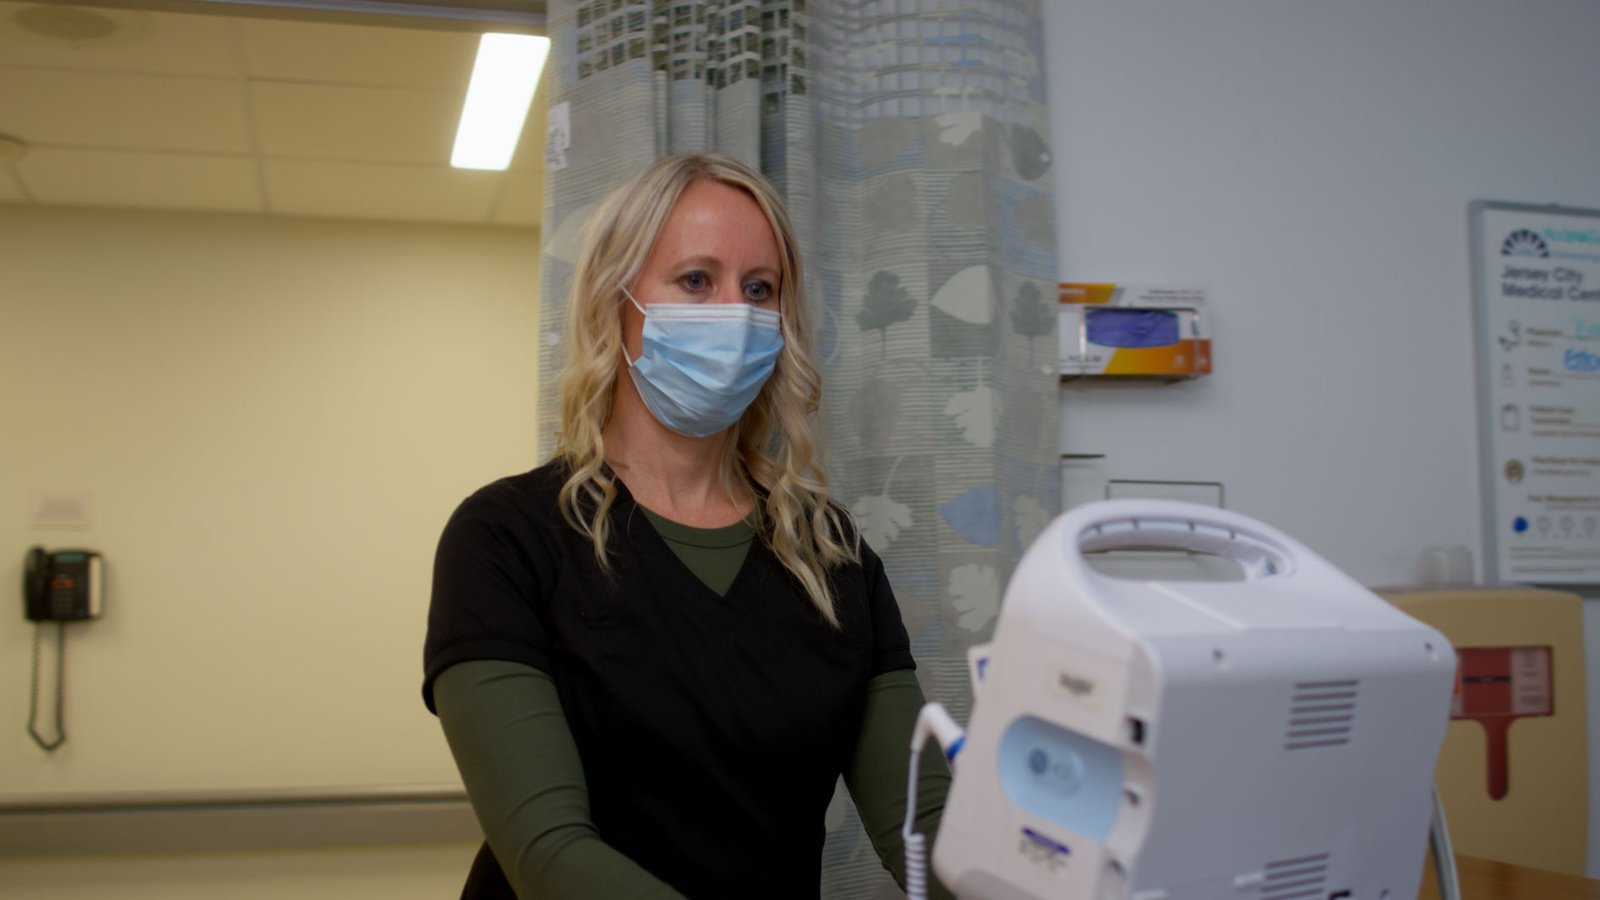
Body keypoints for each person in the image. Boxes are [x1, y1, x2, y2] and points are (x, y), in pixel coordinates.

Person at [423, 152, 952, 899]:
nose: (734, 313)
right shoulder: (507, 539)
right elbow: (549, 853)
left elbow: (925, 828)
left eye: (759, 288)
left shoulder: (829, 553)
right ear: (615, 302)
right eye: (697, 280)